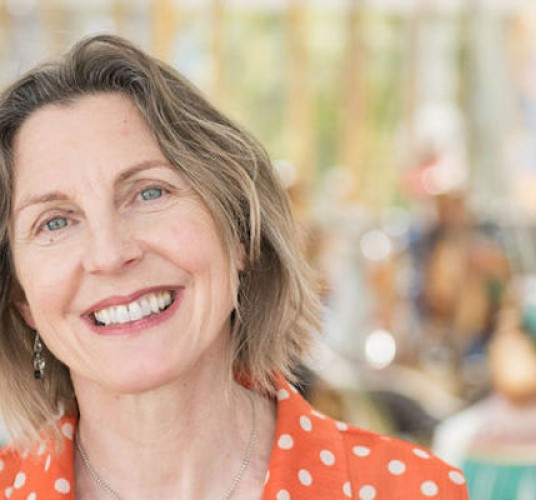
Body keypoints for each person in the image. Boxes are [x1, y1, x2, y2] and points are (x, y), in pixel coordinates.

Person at [0, 34, 468, 499]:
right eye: (54, 222)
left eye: (149, 192)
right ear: (22, 296)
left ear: (240, 231)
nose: (109, 254)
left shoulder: (411, 491)